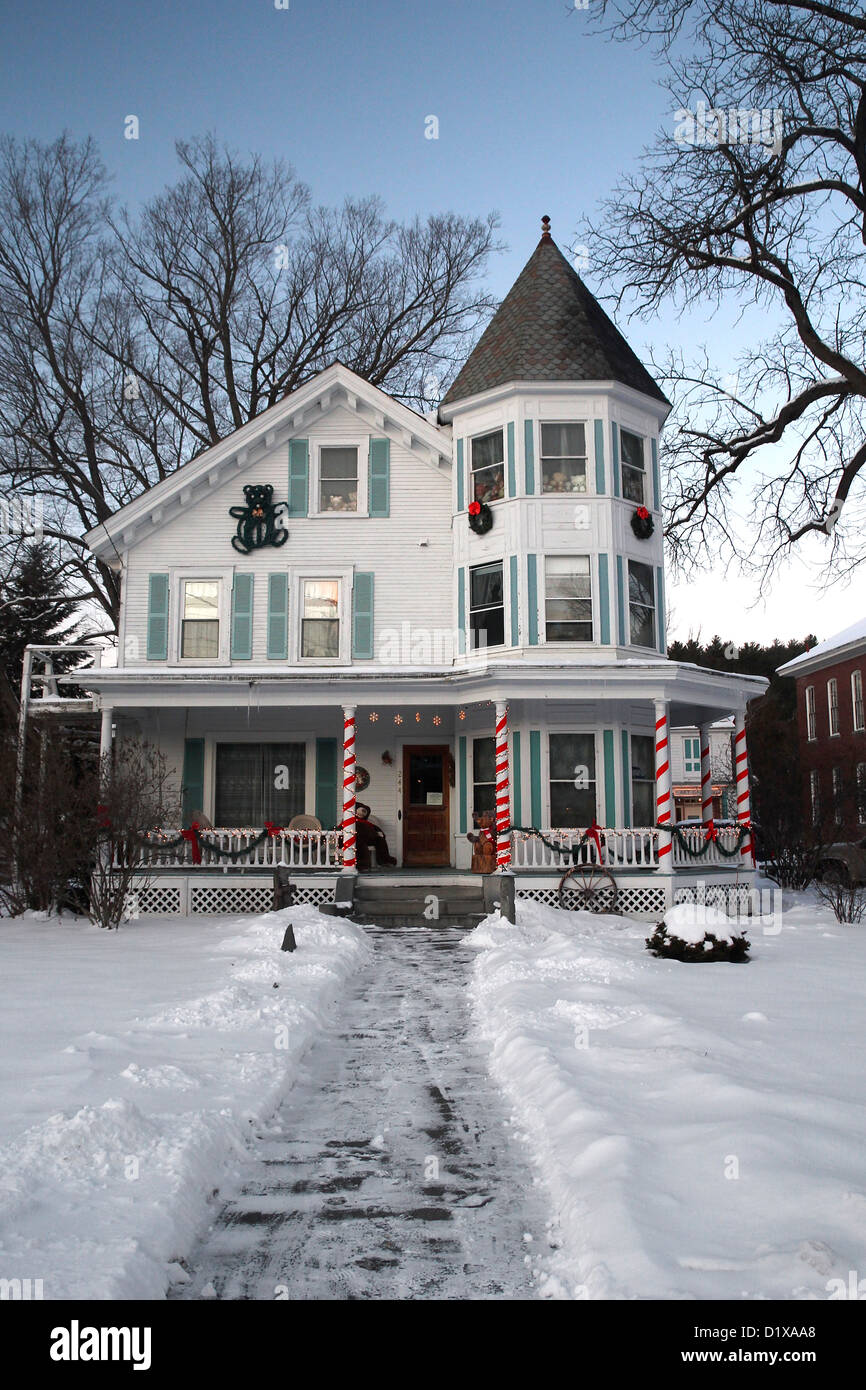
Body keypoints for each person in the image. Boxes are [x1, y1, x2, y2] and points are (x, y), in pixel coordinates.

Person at [355, 803, 397, 872]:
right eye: (359, 814)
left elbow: (376, 828)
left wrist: (380, 833)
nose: (361, 815)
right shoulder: (350, 821)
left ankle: (384, 860)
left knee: (380, 840)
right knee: (361, 846)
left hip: (369, 838)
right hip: (357, 839)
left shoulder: (366, 822)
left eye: (363, 814)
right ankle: (362, 866)